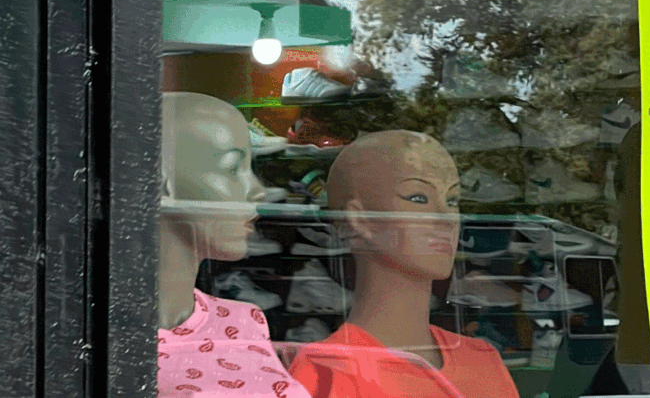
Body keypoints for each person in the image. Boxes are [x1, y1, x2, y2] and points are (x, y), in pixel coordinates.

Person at [288, 130, 519, 397]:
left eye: (452, 200)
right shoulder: (325, 372)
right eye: (418, 198)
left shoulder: (482, 360)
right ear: (360, 220)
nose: (447, 218)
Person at [158, 92, 312, 398]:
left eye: (250, 168)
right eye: (232, 168)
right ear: (162, 184)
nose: (258, 190)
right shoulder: (101, 341)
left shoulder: (245, 322)